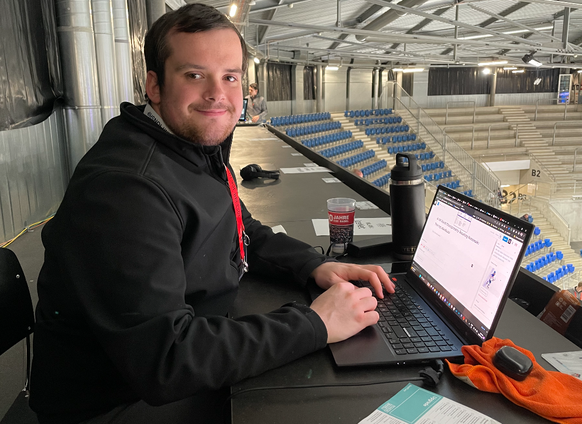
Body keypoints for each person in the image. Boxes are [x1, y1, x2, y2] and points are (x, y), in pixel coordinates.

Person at [29, 4, 393, 424]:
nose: (217, 93)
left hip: (158, 371)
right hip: (114, 404)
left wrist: (315, 266)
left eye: (230, 76)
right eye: (194, 75)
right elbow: (168, 360)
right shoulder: (126, 189)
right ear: (155, 85)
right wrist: (315, 323)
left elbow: (241, 229)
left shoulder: (190, 148)